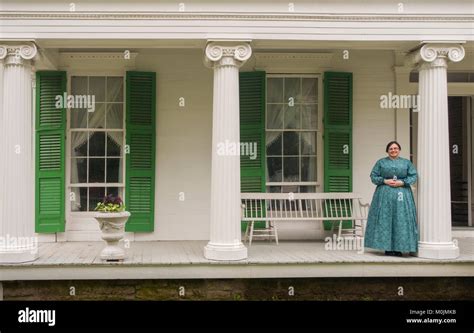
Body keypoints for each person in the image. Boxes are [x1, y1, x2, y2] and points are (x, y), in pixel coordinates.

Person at [364, 141, 418, 256]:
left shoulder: (406, 163)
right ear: (387, 150)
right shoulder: (381, 162)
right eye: (391, 148)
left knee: (401, 219)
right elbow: (373, 176)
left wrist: (402, 182)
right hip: (384, 195)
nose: (393, 150)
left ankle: (399, 248)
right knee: (385, 220)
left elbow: (413, 176)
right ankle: (387, 248)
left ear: (399, 150)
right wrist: (384, 181)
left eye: (396, 148)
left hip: (402, 194)